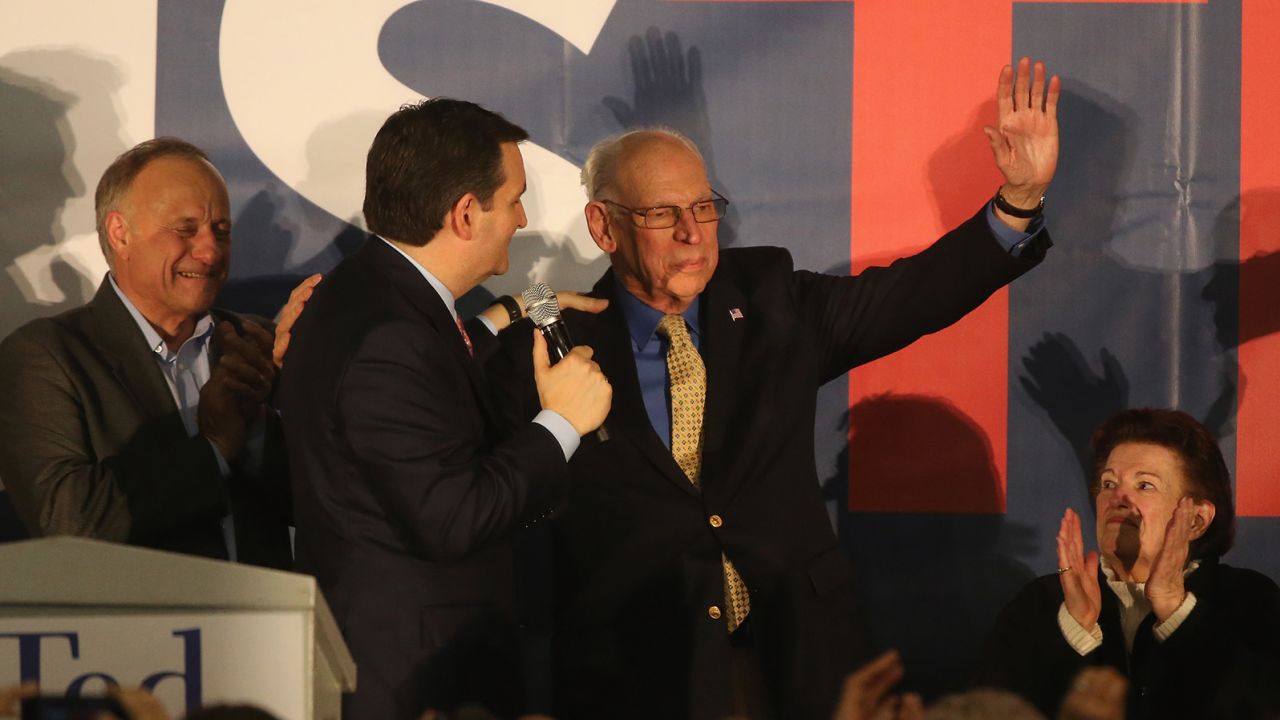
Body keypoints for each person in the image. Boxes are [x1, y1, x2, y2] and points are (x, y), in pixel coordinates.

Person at [488, 57, 1059, 720]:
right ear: (602, 226)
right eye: (661, 213)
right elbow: (504, 520)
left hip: (800, 662)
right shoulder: (552, 349)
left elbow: (911, 296)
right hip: (643, 678)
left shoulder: (770, 300)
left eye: (703, 207)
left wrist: (1016, 204)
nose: (692, 233)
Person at [277, 99, 611, 719]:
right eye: (513, 198)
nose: (522, 217)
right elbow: (453, 517)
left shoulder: (364, 293)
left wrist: (513, 311)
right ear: (464, 213)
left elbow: (428, 370)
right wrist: (562, 422)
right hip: (412, 681)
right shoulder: (389, 337)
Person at [0, 138, 291, 568]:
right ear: (121, 234)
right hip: (135, 633)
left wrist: (264, 425)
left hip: (270, 627)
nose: (211, 251)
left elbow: (330, 501)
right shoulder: (45, 358)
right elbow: (68, 520)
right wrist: (213, 448)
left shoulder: (255, 345)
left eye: (222, 231)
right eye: (186, 230)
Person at [980, 408, 1280, 719]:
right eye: (1108, 484)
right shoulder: (1042, 603)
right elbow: (987, 710)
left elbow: (1262, 705)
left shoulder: (1246, 598)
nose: (1117, 497)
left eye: (1144, 485)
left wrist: (1178, 612)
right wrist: (1074, 634)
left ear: (1196, 520)